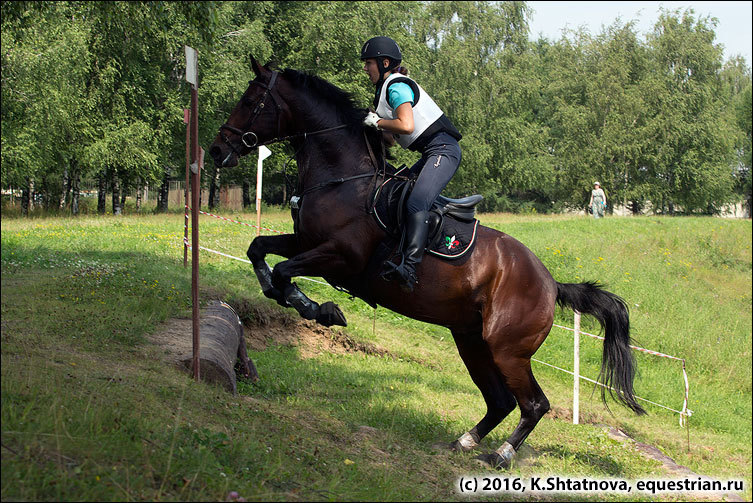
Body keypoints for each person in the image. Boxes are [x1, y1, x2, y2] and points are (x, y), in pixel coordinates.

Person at [360, 36, 463, 292]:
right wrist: (365, 122)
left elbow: (406, 125)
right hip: (430, 152)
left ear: (384, 63)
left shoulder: (395, 86)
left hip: (443, 150)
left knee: (416, 202)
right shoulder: (384, 93)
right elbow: (392, 141)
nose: (365, 68)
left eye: (368, 63)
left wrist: (377, 122)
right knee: (396, 192)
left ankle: (410, 269)